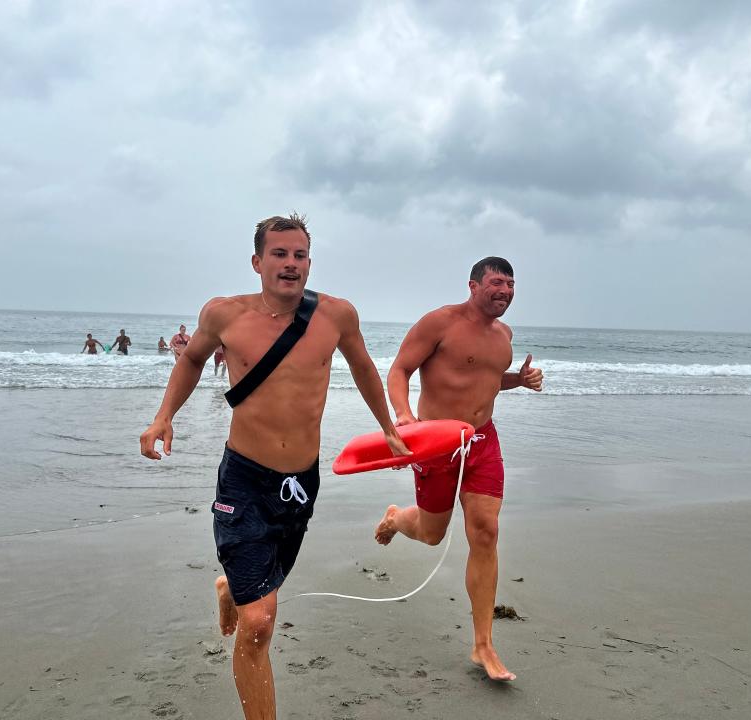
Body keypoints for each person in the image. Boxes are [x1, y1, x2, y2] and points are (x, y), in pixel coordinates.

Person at [139, 214, 408, 719]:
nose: (290, 265)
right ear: (257, 261)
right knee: (261, 622)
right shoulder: (225, 315)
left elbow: (364, 367)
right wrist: (163, 418)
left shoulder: (337, 316)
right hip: (244, 477)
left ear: (309, 261)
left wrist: (390, 429)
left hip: (302, 481)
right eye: (279, 254)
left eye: (299, 255)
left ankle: (230, 588)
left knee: (260, 594)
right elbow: (193, 359)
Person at [373, 256, 543, 683]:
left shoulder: (504, 335)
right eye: (496, 282)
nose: (505, 290)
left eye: (511, 284)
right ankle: (396, 517)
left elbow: (486, 378)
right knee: (432, 535)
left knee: (485, 530)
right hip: (437, 442)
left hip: (482, 441)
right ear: (473, 285)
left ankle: (483, 643)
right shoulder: (440, 323)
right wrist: (404, 415)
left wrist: (517, 381)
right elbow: (399, 369)